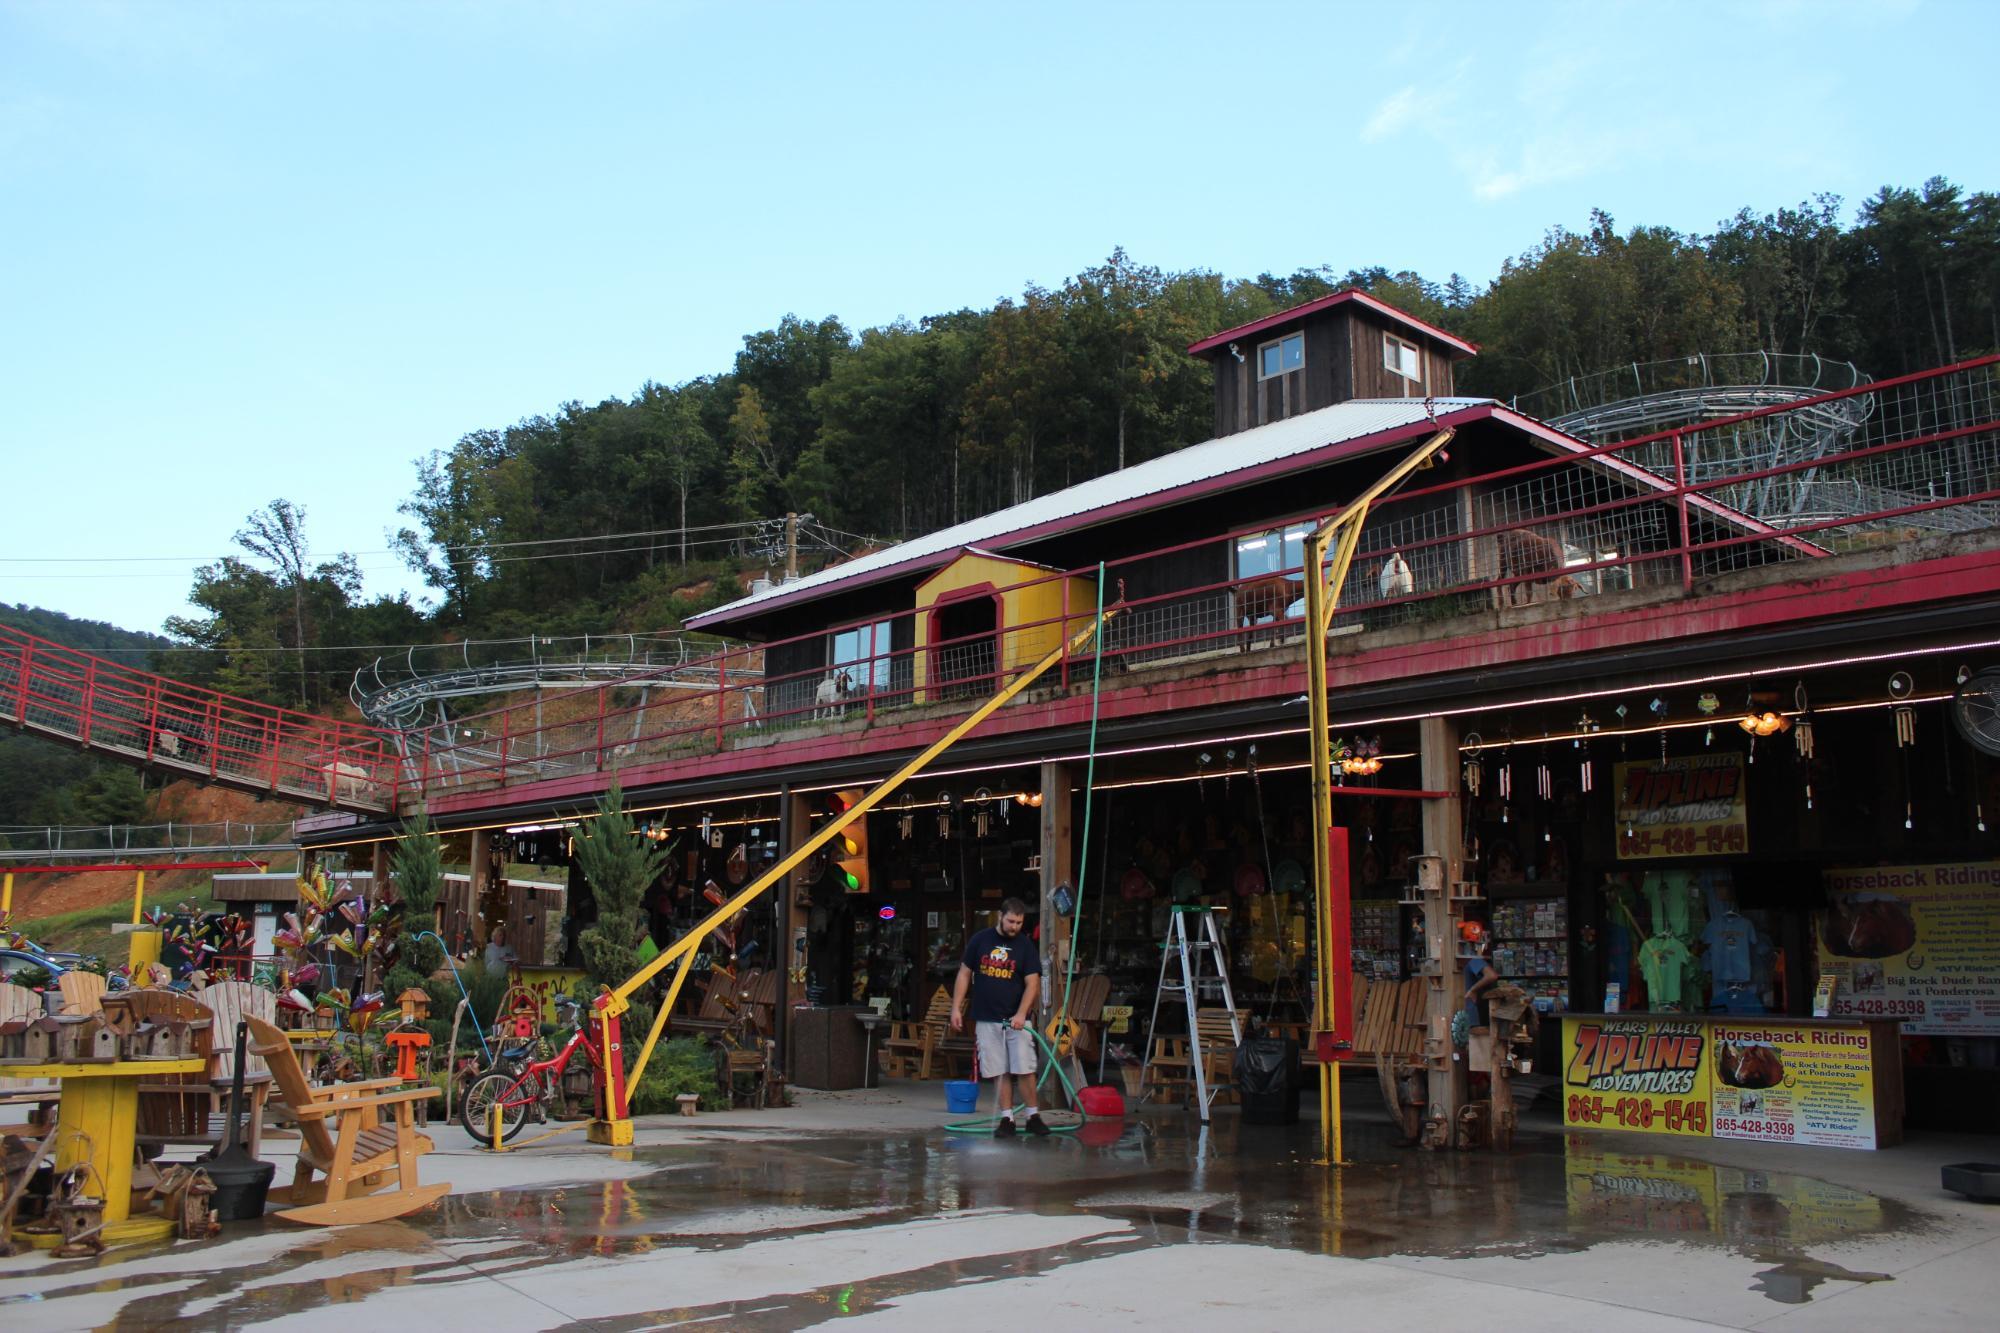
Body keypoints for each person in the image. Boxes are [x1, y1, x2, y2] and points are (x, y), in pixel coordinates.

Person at [950, 897, 1047, 1136]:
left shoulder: (1025, 945)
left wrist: (1021, 1013)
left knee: (1024, 1067)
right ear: (1000, 917)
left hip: (1017, 1019)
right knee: (998, 1069)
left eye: (1019, 922)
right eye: (1011, 921)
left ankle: (1032, 1115)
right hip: (986, 1017)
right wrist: (955, 1007)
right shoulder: (980, 940)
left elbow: (1032, 983)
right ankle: (1007, 1118)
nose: (1015, 926)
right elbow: (964, 974)